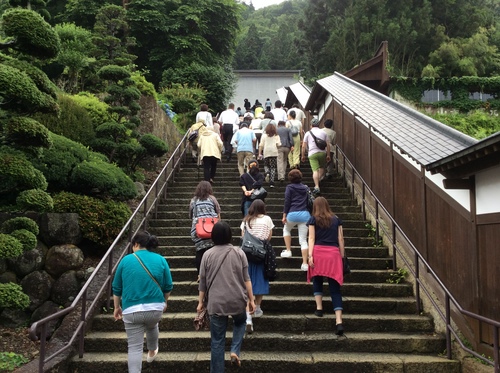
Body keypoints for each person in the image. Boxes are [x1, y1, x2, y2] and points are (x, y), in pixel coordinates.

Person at [197, 221, 255, 371]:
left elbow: (202, 281)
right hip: (237, 300)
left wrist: (200, 302)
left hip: (216, 303)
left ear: (213, 236)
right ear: (230, 235)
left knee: (217, 341)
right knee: (241, 321)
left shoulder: (207, 255)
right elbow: (246, 278)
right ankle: (235, 350)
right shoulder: (239, 252)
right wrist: (252, 299)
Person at [112, 230, 173, 373]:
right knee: (152, 325)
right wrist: (164, 301)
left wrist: (116, 307)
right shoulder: (160, 259)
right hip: (155, 308)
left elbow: (116, 287)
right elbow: (168, 286)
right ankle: (152, 351)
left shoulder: (126, 260)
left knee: (134, 347)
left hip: (131, 310)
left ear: (136, 244)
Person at [306, 196, 345, 336]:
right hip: (333, 254)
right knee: (335, 288)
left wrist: (310, 256)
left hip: (318, 252)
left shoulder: (313, 219)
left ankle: (319, 308)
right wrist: (342, 257)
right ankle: (339, 321)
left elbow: (311, 238)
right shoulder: (336, 219)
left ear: (315, 207)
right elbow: (340, 239)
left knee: (317, 279)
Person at [240, 199, 274, 333]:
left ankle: (248, 317)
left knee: (247, 282)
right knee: (260, 279)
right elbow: (269, 237)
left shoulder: (246, 219)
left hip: (247, 255)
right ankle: (258, 307)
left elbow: (243, 237)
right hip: (261, 254)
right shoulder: (267, 219)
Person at [189, 181, 221, 276]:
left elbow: (191, 215)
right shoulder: (212, 199)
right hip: (212, 228)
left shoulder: (194, 200)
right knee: (213, 251)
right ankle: (213, 273)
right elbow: (218, 212)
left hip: (198, 228)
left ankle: (200, 275)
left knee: (200, 251)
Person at [281, 169, 311, 271]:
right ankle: (305, 264)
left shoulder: (289, 187)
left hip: (292, 214)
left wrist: (284, 214)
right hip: (305, 214)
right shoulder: (305, 187)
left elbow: (287, 201)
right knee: (303, 240)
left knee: (286, 229)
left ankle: (288, 250)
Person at [301, 118, 330, 196]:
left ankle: (317, 186)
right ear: (319, 125)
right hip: (322, 153)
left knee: (315, 170)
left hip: (312, 153)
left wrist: (303, 155)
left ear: (311, 125)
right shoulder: (323, 132)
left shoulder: (307, 133)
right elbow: (328, 145)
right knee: (322, 168)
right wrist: (328, 155)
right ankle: (318, 179)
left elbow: (304, 146)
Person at [258, 120, 281, 188]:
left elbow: (261, 145)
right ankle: (272, 182)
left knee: (266, 165)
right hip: (274, 152)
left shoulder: (264, 136)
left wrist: (259, 153)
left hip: (266, 152)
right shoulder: (276, 136)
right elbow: (278, 144)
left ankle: (267, 172)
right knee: (273, 167)